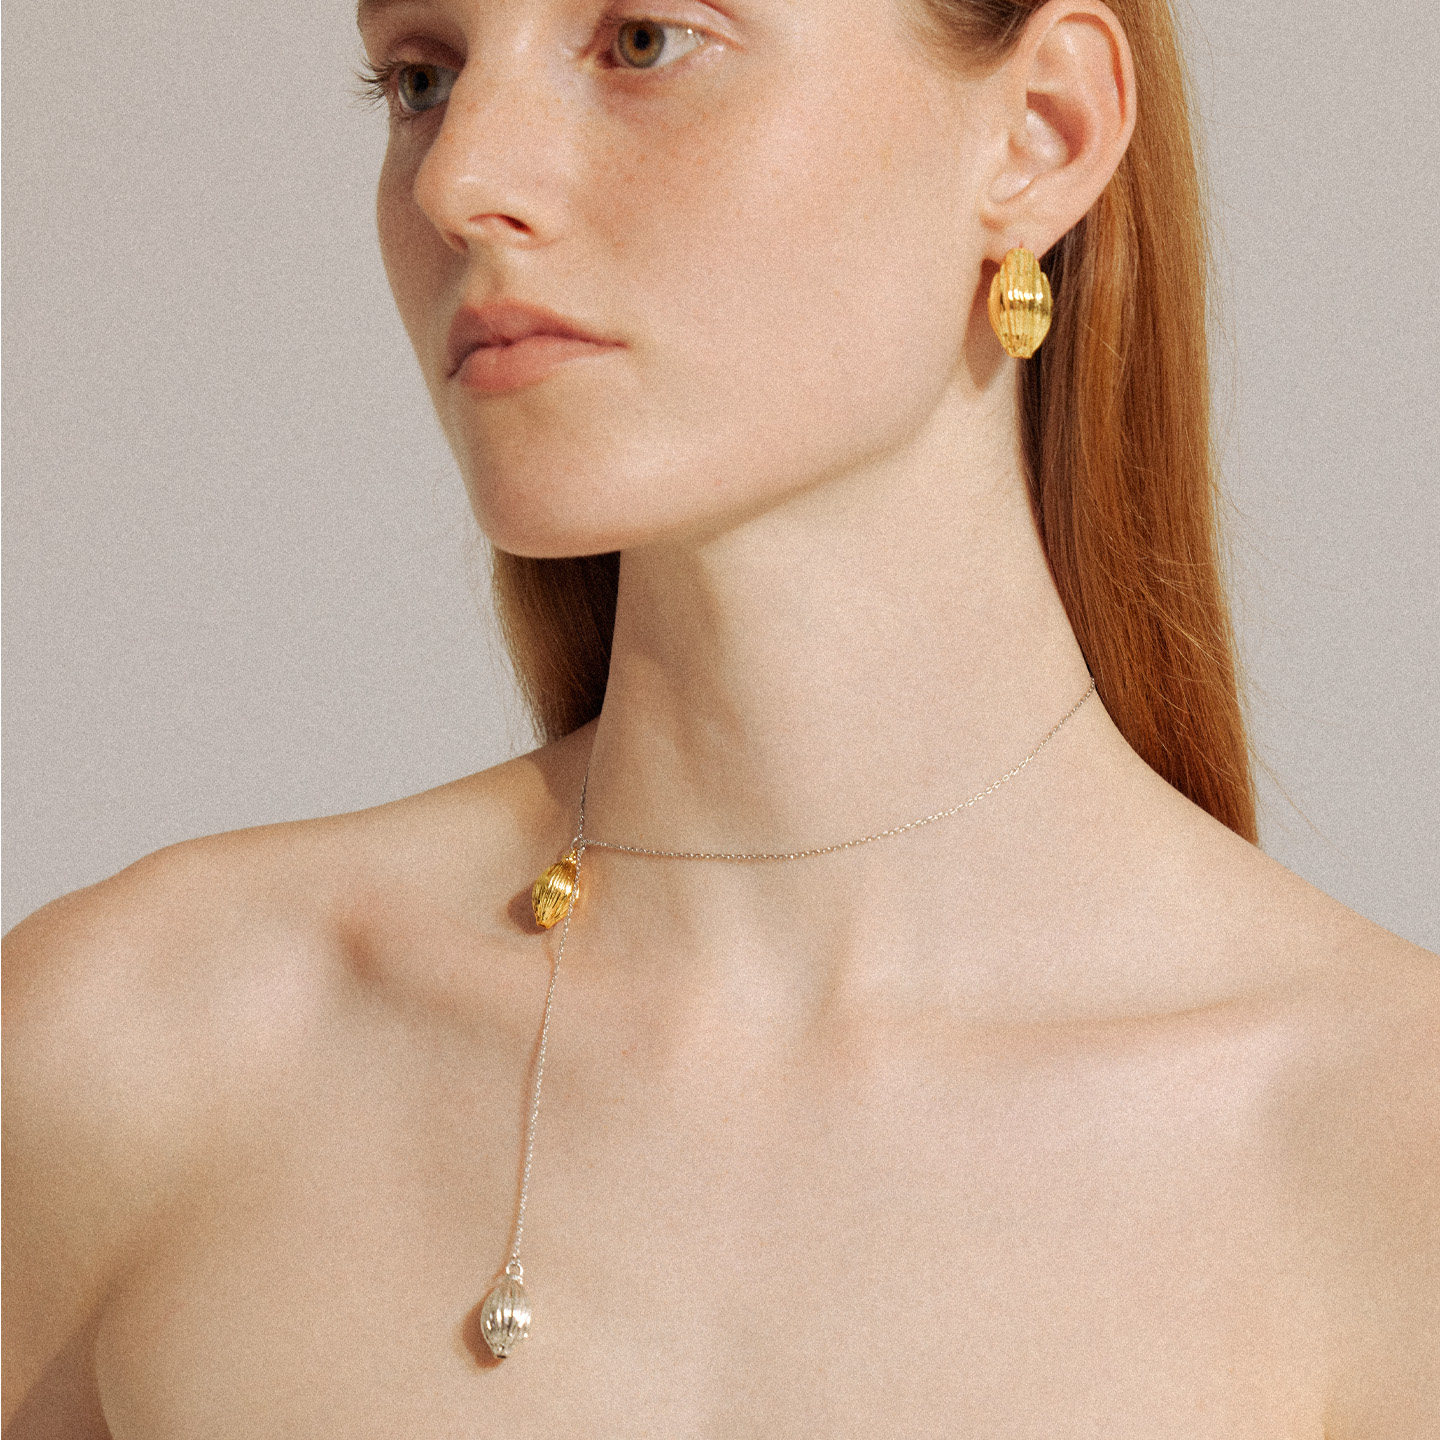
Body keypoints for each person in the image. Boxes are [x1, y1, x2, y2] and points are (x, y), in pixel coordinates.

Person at [4, 0, 1435, 1430]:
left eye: (643, 41)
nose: (457, 179)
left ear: (1040, 132)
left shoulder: (1389, 1169)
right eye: (422, 78)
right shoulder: (130, 1057)